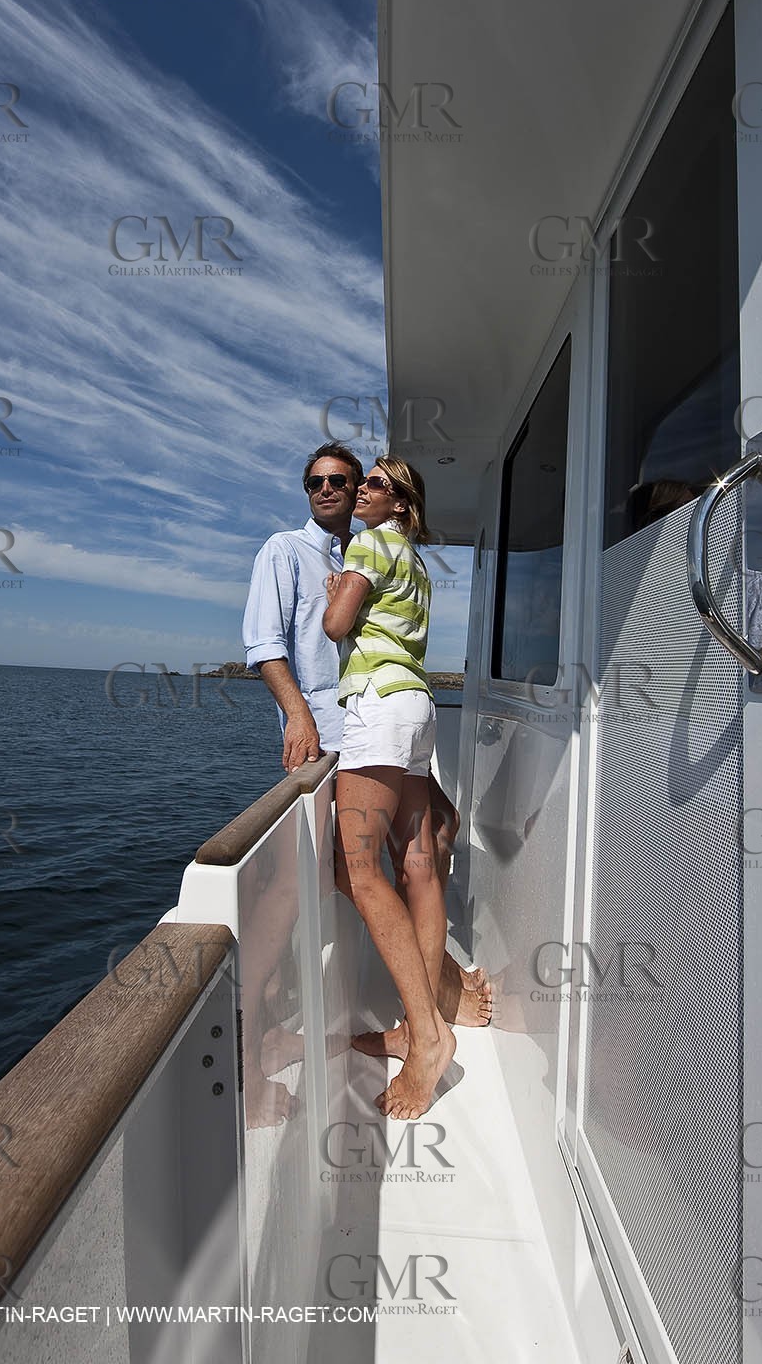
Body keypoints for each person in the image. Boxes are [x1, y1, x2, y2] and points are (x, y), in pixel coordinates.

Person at [242, 443, 491, 1030]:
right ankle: (257, 1021)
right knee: (323, 871)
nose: (327, 490)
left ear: (360, 491)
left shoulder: (368, 547)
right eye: (314, 482)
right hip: (329, 735)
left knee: (435, 831)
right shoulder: (286, 549)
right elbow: (264, 646)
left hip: (374, 721)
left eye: (341, 481)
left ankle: (427, 999)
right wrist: (298, 716)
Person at [324, 458, 459, 1120]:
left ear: (400, 504)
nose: (355, 492)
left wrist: (336, 591)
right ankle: (416, 1022)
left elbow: (336, 627)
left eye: (372, 485)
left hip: (378, 706)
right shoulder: (416, 563)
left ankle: (429, 1039)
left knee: (356, 866)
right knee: (417, 864)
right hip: (418, 707)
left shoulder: (371, 542)